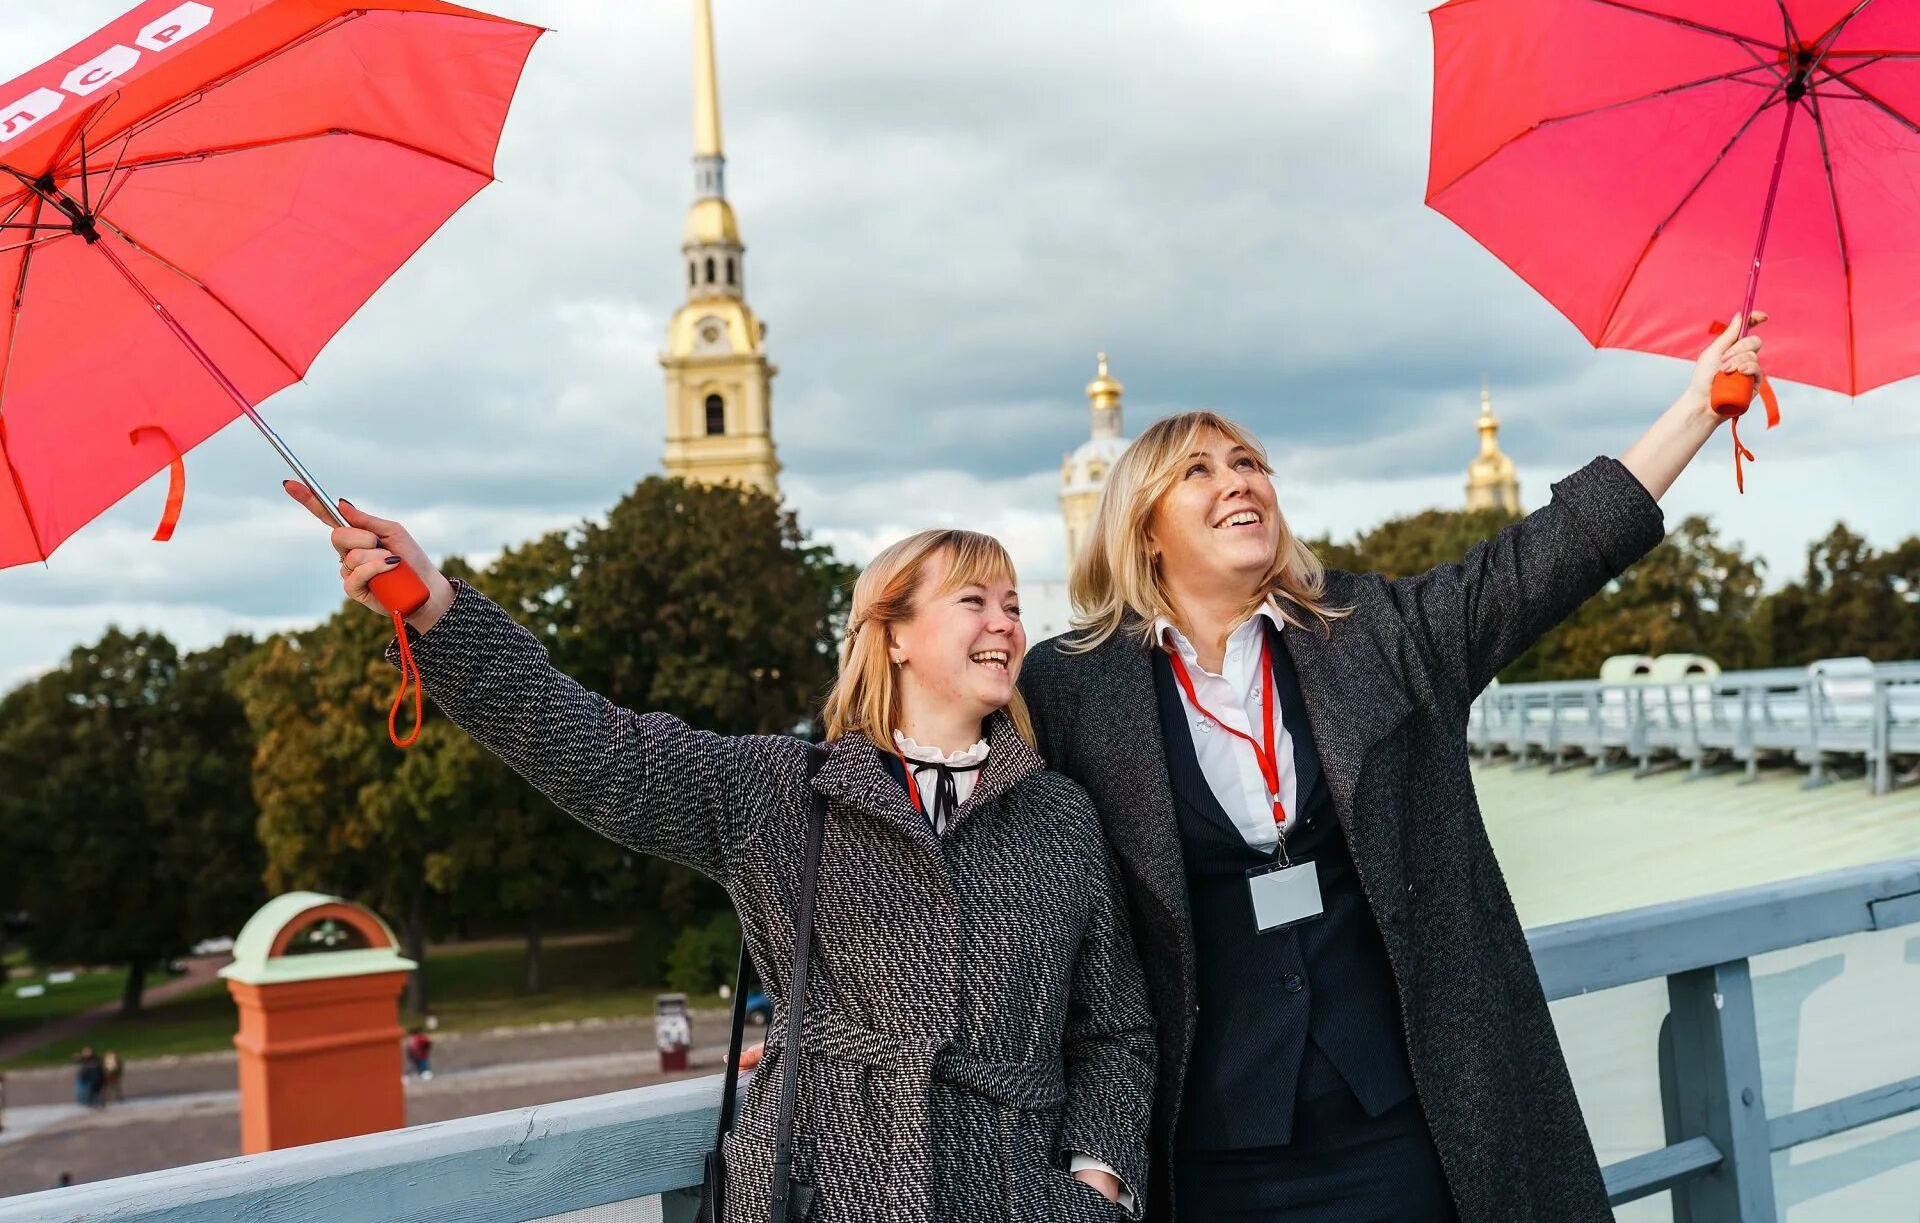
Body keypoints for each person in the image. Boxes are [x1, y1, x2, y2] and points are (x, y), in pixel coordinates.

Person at [1019, 321, 1769, 1222]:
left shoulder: (1373, 634)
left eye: (1249, 462)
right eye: (1200, 471)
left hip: (1407, 1127)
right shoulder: (1071, 688)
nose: (1239, 481)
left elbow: (1553, 553)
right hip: (1208, 1151)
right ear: (1142, 529)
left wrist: (1695, 406)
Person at [284, 494, 1156, 1223]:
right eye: (975, 601)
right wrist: (440, 612)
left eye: (1012, 603)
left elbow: (1115, 1026)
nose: (1005, 622)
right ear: (892, 632)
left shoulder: (1057, 816)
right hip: (823, 1184)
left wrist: (1096, 1185)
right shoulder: (781, 790)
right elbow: (600, 753)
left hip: (1019, 1195)